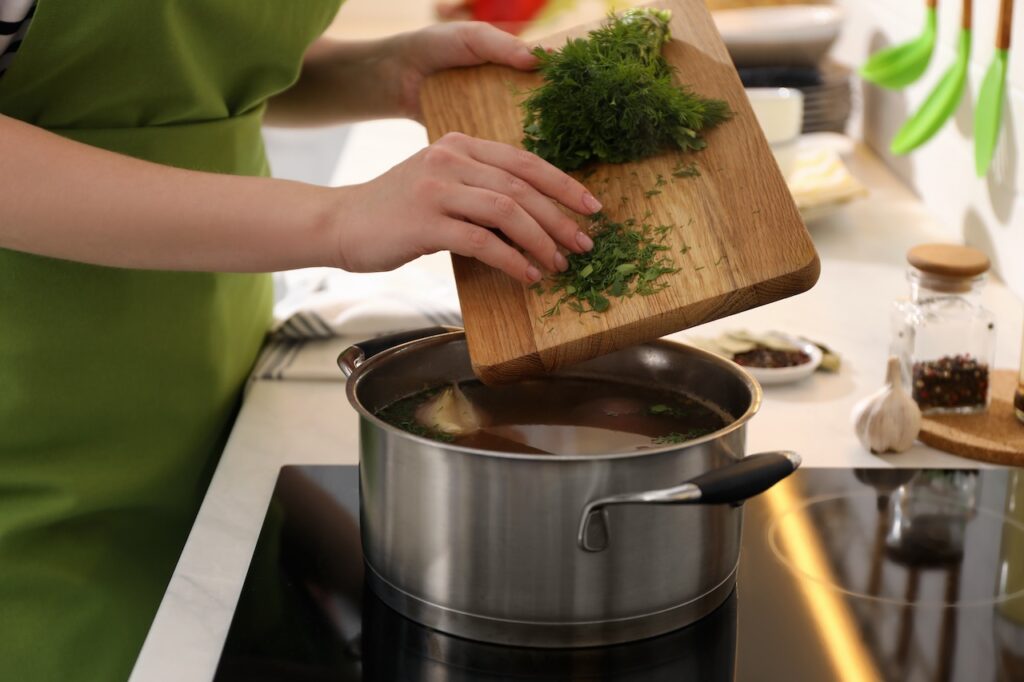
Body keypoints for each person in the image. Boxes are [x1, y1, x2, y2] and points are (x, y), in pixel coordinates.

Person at [0, 1, 600, 679]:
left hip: (208, 385)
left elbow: (168, 70)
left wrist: (382, 70)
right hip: (33, 469)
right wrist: (337, 219)